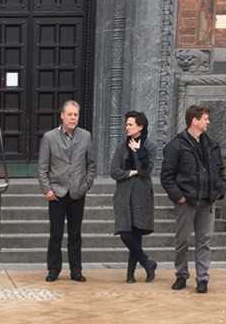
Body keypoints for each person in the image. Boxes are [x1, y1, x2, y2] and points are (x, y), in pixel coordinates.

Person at [160, 104, 226, 294]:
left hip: (207, 201)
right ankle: (181, 275)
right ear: (194, 121)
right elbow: (167, 176)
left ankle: (202, 278)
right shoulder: (176, 146)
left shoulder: (212, 145)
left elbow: (221, 170)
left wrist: (219, 190)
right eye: (205, 119)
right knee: (182, 240)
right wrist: (179, 197)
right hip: (187, 202)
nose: (208, 122)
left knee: (204, 241)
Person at [37, 100, 96, 282]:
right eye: (69, 114)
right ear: (62, 116)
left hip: (77, 192)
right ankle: (53, 270)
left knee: (75, 234)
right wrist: (47, 189)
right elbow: (42, 167)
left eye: (76, 115)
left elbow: (91, 164)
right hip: (57, 193)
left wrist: (86, 185)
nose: (73, 118)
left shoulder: (85, 136)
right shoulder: (49, 137)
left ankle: (76, 271)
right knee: (56, 234)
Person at [109, 111, 158, 283]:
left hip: (141, 195)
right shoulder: (121, 147)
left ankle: (130, 275)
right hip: (123, 195)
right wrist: (130, 172)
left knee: (136, 234)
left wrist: (138, 152)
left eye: (130, 124)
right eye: (126, 124)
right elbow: (114, 171)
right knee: (125, 233)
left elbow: (146, 171)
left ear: (140, 127)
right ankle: (147, 263)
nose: (127, 127)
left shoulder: (150, 147)